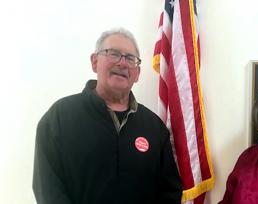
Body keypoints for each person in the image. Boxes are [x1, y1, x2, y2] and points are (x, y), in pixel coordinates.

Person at [33, 28, 182, 204]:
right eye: (114, 54)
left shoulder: (154, 127)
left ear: (137, 74)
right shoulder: (59, 117)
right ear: (94, 61)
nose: (122, 63)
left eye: (130, 58)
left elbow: (169, 191)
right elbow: (48, 190)